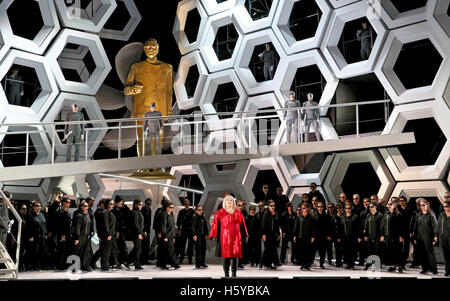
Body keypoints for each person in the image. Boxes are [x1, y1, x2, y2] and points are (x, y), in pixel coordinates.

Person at [124, 38, 172, 157]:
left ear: (158, 48)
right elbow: (126, 89)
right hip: (141, 108)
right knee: (141, 138)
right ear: (144, 49)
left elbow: (168, 92)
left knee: (157, 138)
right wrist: (133, 88)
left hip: (160, 110)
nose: (150, 50)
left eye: (153, 47)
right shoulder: (136, 67)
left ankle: (156, 166)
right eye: (148, 48)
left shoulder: (167, 68)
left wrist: (168, 113)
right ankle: (142, 166)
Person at [210, 195, 248, 277]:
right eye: (228, 200)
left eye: (231, 200)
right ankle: (226, 274)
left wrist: (244, 235)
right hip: (225, 238)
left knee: (235, 257)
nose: (230, 201)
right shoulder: (220, 213)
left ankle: (234, 274)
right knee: (226, 256)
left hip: (236, 238)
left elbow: (242, 225)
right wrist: (213, 235)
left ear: (233, 202)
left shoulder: (238, 212)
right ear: (225, 202)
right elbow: (215, 225)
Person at [413, 198, 438, 274]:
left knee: (430, 253)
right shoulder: (418, 215)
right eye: (420, 205)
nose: (422, 206)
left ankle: (434, 269)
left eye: (424, 205)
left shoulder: (431, 215)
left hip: (428, 237)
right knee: (423, 254)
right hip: (420, 237)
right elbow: (416, 227)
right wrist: (415, 237)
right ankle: (425, 269)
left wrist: (435, 236)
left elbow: (435, 226)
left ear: (427, 205)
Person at [381, 200, 404, 273]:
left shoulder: (398, 214)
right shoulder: (385, 215)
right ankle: (392, 266)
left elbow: (401, 226)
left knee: (398, 251)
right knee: (390, 251)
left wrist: (401, 235)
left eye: (391, 205)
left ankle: (400, 266)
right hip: (388, 235)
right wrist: (382, 235)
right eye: (389, 205)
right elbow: (382, 226)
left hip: (396, 236)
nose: (390, 206)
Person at [338, 203, 362, 269]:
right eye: (346, 208)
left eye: (349, 208)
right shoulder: (342, 217)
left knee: (352, 251)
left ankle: (352, 264)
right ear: (344, 209)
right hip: (344, 237)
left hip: (353, 237)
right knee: (345, 251)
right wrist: (339, 237)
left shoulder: (355, 217)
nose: (347, 210)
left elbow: (359, 228)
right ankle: (348, 264)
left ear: (351, 209)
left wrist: (359, 237)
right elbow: (340, 228)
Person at [25, 202, 47, 271]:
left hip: (42, 236)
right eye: (37, 206)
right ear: (33, 207)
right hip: (34, 237)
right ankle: (32, 265)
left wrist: (45, 234)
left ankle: (38, 266)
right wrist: (30, 236)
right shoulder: (30, 216)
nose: (39, 207)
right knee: (34, 251)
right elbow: (28, 227)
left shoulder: (42, 215)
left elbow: (44, 225)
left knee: (41, 251)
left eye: (40, 206)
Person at [293, 203, 316, 270]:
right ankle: (303, 264)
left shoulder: (311, 217)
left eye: (304, 208)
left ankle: (306, 264)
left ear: (307, 209)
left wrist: (313, 236)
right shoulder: (299, 217)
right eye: (302, 208)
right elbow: (296, 226)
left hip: (308, 237)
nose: (302, 209)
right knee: (301, 251)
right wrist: (294, 235)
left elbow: (313, 228)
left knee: (307, 251)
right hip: (300, 237)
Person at [72, 201, 92, 271]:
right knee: (78, 252)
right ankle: (75, 267)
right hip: (80, 237)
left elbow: (89, 226)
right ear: (81, 207)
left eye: (87, 206)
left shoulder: (88, 215)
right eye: (85, 206)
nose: (87, 207)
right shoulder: (79, 216)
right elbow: (77, 228)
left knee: (86, 252)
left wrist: (90, 234)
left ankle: (85, 266)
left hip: (87, 236)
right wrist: (77, 238)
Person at [159, 201, 180, 269]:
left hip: (171, 236)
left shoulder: (170, 215)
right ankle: (174, 264)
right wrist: (164, 236)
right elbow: (163, 226)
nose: (171, 208)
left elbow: (172, 227)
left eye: (172, 207)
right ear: (166, 207)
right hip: (167, 236)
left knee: (167, 250)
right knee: (170, 250)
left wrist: (174, 236)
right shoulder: (163, 215)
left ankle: (164, 264)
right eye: (170, 207)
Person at [261, 200, 280, 269]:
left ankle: (272, 263)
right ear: (268, 206)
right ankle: (264, 263)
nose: (272, 207)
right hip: (267, 234)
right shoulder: (266, 214)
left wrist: (278, 234)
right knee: (267, 249)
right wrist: (263, 234)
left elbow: (277, 225)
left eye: (273, 205)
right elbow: (263, 224)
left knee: (273, 249)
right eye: (271, 205)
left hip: (274, 234)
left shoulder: (276, 214)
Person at [363, 202, 383, 270]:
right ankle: (368, 265)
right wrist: (365, 235)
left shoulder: (380, 215)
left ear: (375, 207)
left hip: (377, 235)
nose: (370, 208)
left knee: (377, 251)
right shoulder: (368, 215)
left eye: (372, 207)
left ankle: (378, 265)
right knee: (369, 251)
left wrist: (381, 235)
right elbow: (365, 226)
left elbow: (381, 227)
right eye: (370, 207)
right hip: (369, 235)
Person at [55, 197, 72, 270]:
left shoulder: (67, 212)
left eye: (69, 202)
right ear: (64, 203)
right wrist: (62, 235)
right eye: (68, 202)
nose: (69, 204)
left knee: (66, 249)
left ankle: (64, 264)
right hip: (63, 234)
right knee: (61, 250)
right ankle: (60, 265)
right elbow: (60, 225)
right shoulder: (60, 213)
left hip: (67, 234)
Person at [127, 199, 145, 270]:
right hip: (135, 233)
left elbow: (140, 224)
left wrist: (143, 232)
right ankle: (136, 264)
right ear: (136, 205)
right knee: (138, 249)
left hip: (138, 233)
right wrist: (139, 233)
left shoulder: (138, 212)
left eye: (141, 205)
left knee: (137, 249)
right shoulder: (135, 212)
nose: (141, 206)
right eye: (140, 205)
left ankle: (127, 261)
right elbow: (136, 224)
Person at [314, 201, 332, 269]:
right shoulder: (314, 215)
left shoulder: (326, 216)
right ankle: (309, 263)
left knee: (322, 251)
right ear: (317, 207)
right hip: (316, 236)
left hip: (324, 236)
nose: (320, 208)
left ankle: (321, 264)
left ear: (323, 207)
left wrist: (329, 235)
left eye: (321, 206)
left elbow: (329, 227)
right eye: (319, 207)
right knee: (313, 250)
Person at [177, 199, 195, 264]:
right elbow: (178, 221)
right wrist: (179, 230)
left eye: (187, 204)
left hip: (191, 230)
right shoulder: (181, 212)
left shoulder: (192, 211)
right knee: (182, 245)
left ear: (189, 204)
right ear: (184, 204)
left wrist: (194, 231)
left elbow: (194, 221)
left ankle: (190, 259)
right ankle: (181, 259)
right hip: (184, 230)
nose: (186, 205)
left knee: (191, 245)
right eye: (185, 204)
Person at [112, 196, 129, 266]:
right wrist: (117, 231)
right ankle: (120, 262)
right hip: (118, 231)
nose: (122, 203)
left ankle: (119, 262)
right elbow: (117, 222)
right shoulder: (116, 210)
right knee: (121, 247)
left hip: (119, 231)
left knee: (120, 247)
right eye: (121, 201)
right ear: (117, 202)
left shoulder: (118, 210)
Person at [397, 196, 412, 270]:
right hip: (399, 231)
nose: (401, 202)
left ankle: (403, 264)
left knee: (406, 248)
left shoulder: (409, 209)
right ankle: (399, 264)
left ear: (406, 201)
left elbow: (411, 221)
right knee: (399, 248)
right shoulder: (397, 208)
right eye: (400, 201)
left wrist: (411, 231)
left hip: (407, 231)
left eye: (403, 200)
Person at [436, 200, 450, 276]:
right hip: (443, 237)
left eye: (447, 206)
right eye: (444, 206)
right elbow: (438, 226)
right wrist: (436, 236)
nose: (445, 208)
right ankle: (447, 270)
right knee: (445, 254)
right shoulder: (442, 215)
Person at [141, 198, 152, 265]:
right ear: (145, 203)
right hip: (144, 230)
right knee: (143, 245)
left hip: (148, 230)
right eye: (148, 204)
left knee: (147, 245)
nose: (149, 205)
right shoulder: (143, 210)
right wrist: (144, 231)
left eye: (150, 204)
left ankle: (145, 259)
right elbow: (142, 222)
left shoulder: (149, 210)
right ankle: (142, 260)